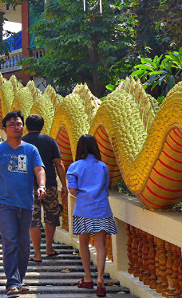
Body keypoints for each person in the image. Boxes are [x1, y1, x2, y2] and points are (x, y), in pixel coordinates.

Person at [0, 111, 47, 297]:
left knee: (24, 245)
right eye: (12, 124)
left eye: (19, 124)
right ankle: (12, 283)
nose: (16, 127)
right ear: (4, 128)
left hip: (26, 203)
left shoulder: (30, 150)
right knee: (10, 241)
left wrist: (41, 185)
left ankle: (19, 281)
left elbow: (39, 169)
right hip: (4, 203)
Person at [67, 135, 117, 297]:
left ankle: (88, 278)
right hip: (101, 209)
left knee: (83, 242)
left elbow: (72, 191)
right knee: (100, 244)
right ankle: (100, 278)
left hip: (83, 210)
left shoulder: (74, 167)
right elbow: (106, 187)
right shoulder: (102, 166)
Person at [22, 114, 68, 263]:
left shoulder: (21, 142)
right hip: (49, 184)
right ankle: (49, 247)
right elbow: (59, 164)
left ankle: (37, 253)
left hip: (28, 185)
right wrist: (64, 185)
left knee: (33, 219)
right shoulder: (50, 141)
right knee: (51, 215)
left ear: (26, 126)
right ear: (42, 125)